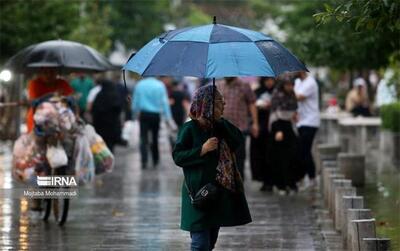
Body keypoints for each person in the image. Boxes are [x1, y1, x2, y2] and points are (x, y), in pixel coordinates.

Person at [172, 85, 252, 251]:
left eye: (223, 101)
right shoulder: (190, 128)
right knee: (200, 243)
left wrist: (220, 123)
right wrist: (202, 150)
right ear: (207, 103)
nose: (224, 105)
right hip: (197, 192)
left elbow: (237, 140)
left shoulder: (220, 125)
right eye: (219, 102)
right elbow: (178, 156)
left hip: (217, 193)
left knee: (210, 242)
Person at [217, 77, 259, 179]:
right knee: (222, 157)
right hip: (222, 128)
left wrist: (255, 123)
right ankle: (225, 181)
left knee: (239, 157)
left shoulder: (244, 85)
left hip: (239, 128)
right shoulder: (219, 85)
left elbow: (252, 104)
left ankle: (239, 182)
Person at [132, 77, 174, 169]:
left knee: (143, 138)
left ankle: (144, 160)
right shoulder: (160, 85)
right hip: (155, 115)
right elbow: (164, 103)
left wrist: (134, 115)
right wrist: (168, 117)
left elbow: (135, 103)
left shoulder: (139, 85)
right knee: (155, 138)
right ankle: (155, 159)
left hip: (144, 115)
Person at [268, 76, 299, 194]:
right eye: (287, 85)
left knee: (293, 156)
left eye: (291, 85)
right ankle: (281, 184)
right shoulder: (277, 94)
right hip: (278, 127)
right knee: (280, 158)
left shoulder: (292, 94)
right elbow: (274, 113)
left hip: (289, 127)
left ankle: (291, 183)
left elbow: (294, 110)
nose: (290, 87)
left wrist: (294, 116)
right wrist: (278, 130)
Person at [294, 72, 320, 188]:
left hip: (311, 121)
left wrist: (285, 92)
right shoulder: (297, 82)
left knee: (304, 149)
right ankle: (304, 176)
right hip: (300, 121)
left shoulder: (311, 82)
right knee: (303, 150)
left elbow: (298, 97)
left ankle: (311, 177)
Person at [250, 77, 275, 188]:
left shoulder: (277, 92)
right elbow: (251, 107)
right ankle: (263, 179)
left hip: (273, 128)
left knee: (271, 154)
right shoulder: (256, 92)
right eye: (267, 80)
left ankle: (271, 180)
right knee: (259, 155)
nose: (269, 82)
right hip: (259, 127)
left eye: (271, 80)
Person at [91, 78, 123, 152]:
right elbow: (119, 109)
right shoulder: (115, 96)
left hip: (101, 126)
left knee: (102, 145)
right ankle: (110, 158)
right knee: (111, 145)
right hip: (112, 126)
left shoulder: (99, 96)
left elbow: (94, 110)